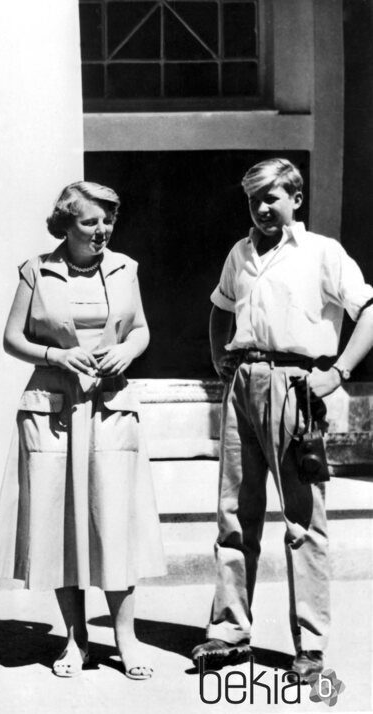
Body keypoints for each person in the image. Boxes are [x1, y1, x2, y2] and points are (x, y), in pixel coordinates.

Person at [192, 158, 373, 678]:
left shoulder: (322, 253)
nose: (263, 208)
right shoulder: (240, 253)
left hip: (296, 387)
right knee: (234, 514)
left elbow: (368, 310)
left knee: (303, 520)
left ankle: (310, 645)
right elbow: (220, 307)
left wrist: (336, 373)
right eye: (254, 199)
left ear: (296, 198)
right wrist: (219, 360)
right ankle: (228, 633)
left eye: (273, 197)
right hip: (242, 384)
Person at [0, 181, 166, 681]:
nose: (102, 230)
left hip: (110, 405)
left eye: (108, 220)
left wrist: (128, 351)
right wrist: (58, 354)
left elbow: (141, 329)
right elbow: (11, 337)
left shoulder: (125, 268)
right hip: (53, 408)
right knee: (61, 524)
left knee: (113, 522)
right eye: (91, 221)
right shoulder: (36, 270)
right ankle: (74, 638)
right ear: (66, 222)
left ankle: (126, 639)